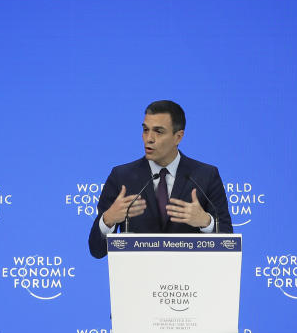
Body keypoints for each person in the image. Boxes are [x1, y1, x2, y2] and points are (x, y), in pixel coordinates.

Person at [88, 100, 232, 259]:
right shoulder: (121, 176)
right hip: (138, 280)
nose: (149, 138)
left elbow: (228, 243)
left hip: (191, 279)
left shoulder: (206, 175)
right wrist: (108, 219)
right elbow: (97, 250)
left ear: (178, 137)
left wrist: (206, 222)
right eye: (145, 130)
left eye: (158, 131)